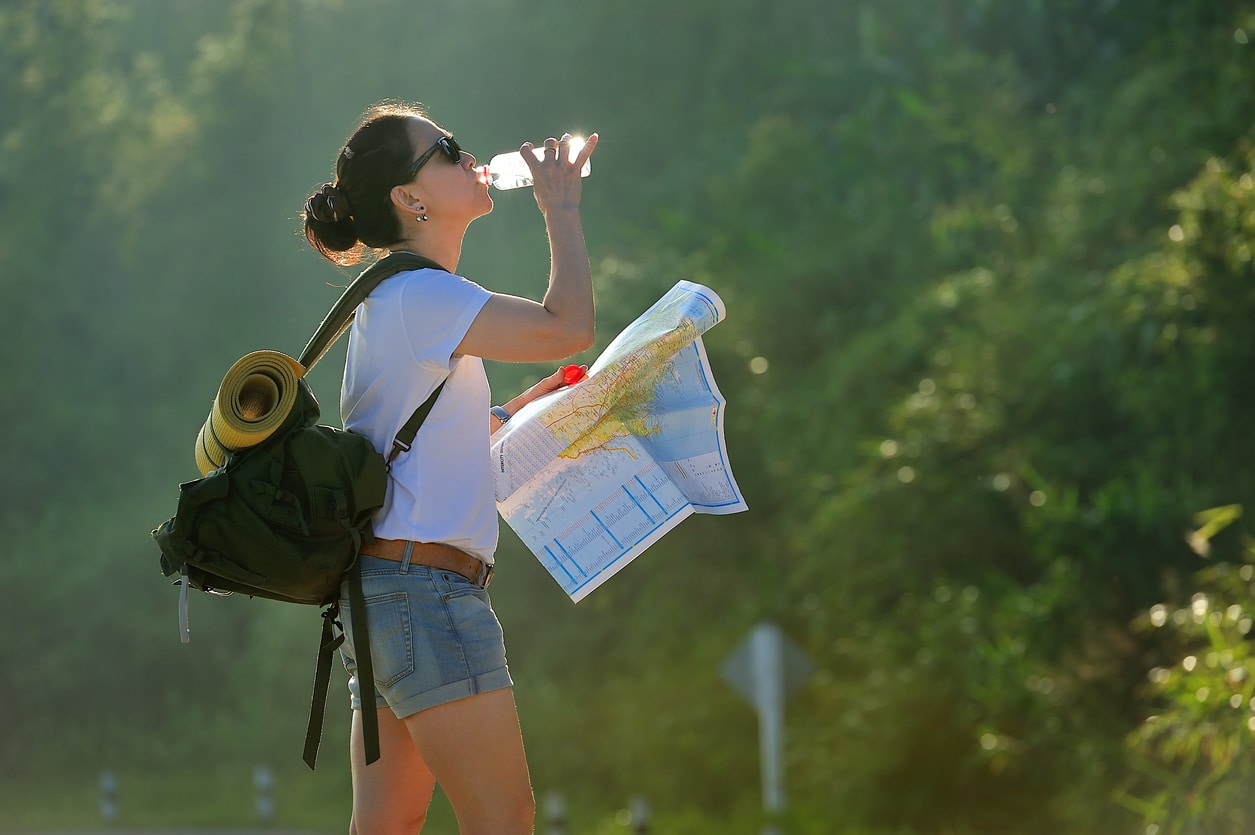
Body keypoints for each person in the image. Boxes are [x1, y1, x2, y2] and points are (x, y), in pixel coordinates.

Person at [301, 101, 598, 834]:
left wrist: (513, 413)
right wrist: (560, 207)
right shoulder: (422, 295)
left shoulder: (398, 300)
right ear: (411, 198)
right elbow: (568, 325)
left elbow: (424, 449)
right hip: (427, 593)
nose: (470, 158)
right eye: (447, 149)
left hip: (384, 594)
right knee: (503, 819)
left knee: (388, 825)